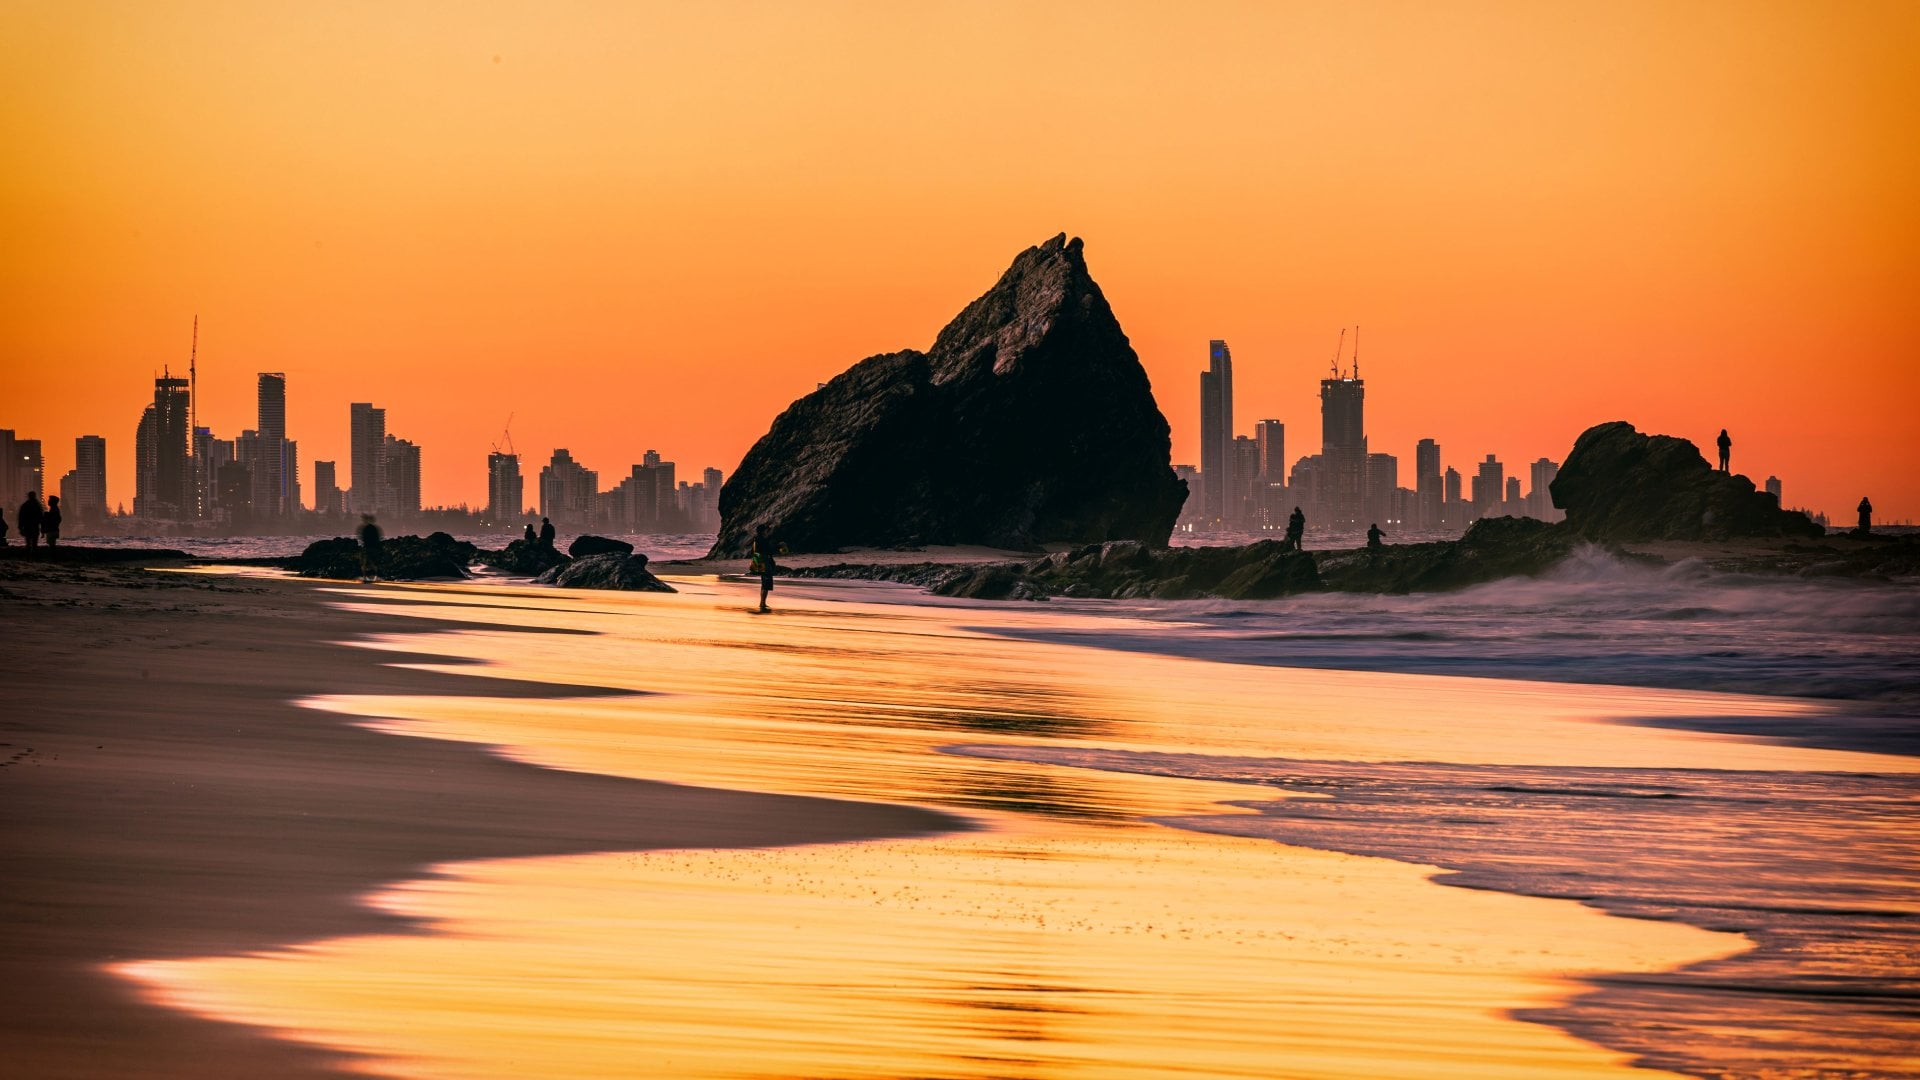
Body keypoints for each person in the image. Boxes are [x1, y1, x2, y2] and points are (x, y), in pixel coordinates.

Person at [750, 524, 779, 613]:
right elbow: (769, 550)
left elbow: (753, 552)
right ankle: (762, 603)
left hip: (759, 563)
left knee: (764, 583)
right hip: (765, 563)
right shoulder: (763, 540)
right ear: (763, 531)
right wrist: (779, 546)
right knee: (766, 583)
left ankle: (762, 602)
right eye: (766, 530)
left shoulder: (756, 539)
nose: (767, 531)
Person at [357, 514, 383, 582]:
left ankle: (365, 577)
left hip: (368, 547)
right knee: (374, 563)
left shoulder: (365, 528)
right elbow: (378, 538)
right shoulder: (374, 528)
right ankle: (375, 577)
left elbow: (363, 538)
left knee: (365, 563)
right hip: (374, 547)